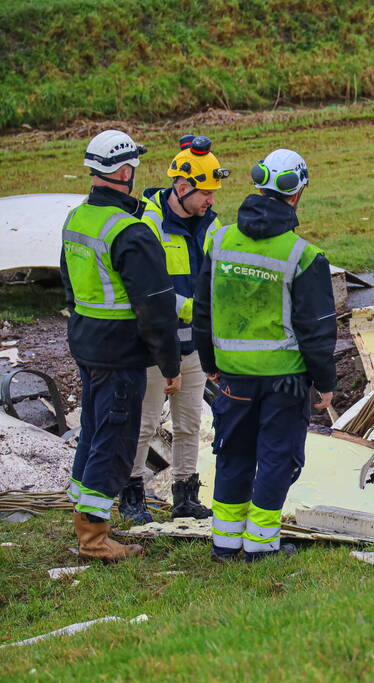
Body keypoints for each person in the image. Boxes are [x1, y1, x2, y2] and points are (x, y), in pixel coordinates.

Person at [193, 149, 336, 562]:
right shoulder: (303, 255)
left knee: (233, 453)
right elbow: (317, 331)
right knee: (277, 458)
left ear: (257, 186)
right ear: (296, 194)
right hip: (286, 381)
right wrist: (325, 383)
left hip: (233, 377)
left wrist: (210, 364)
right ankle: (260, 546)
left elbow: (204, 312)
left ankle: (225, 542)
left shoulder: (219, 241)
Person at [61, 129, 181, 563]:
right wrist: (170, 364)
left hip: (87, 347)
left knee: (93, 432)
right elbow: (156, 309)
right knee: (113, 442)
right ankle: (93, 538)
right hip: (120, 354)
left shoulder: (77, 219)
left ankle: (81, 517)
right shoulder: (130, 232)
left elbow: (70, 288)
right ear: (126, 171)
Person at [119, 135, 228, 523]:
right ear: (182, 188)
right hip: (154, 345)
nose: (211, 200)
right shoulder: (147, 224)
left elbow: (219, 280)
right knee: (145, 423)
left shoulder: (211, 226)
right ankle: (132, 495)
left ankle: (186, 495)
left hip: (194, 344)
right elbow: (151, 293)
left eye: (214, 193)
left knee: (189, 423)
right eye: (205, 193)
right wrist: (198, 310)